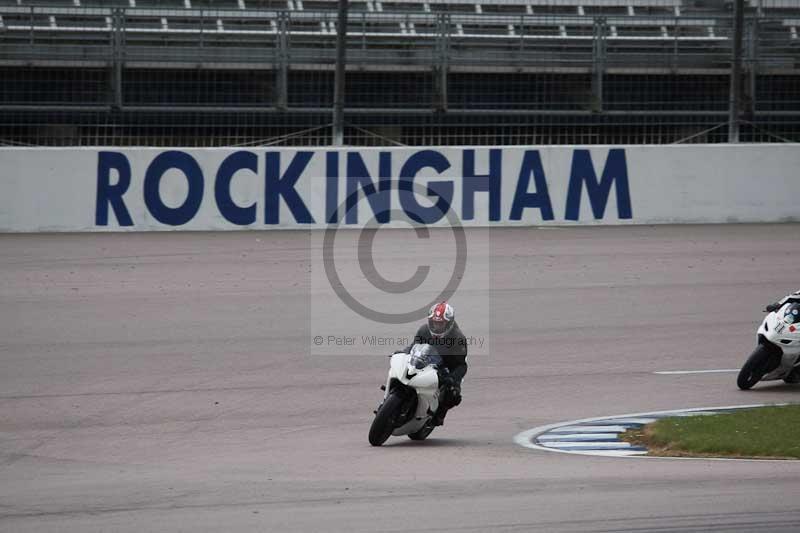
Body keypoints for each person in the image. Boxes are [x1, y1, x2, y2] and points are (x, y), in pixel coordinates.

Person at [404, 301, 468, 426]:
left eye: (440, 324)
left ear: (449, 323)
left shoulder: (458, 339)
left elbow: (461, 365)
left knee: (453, 394)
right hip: (425, 360)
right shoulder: (424, 330)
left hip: (447, 367)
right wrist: (403, 352)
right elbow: (412, 347)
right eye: (434, 323)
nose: (436, 327)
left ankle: (440, 414)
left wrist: (452, 379)